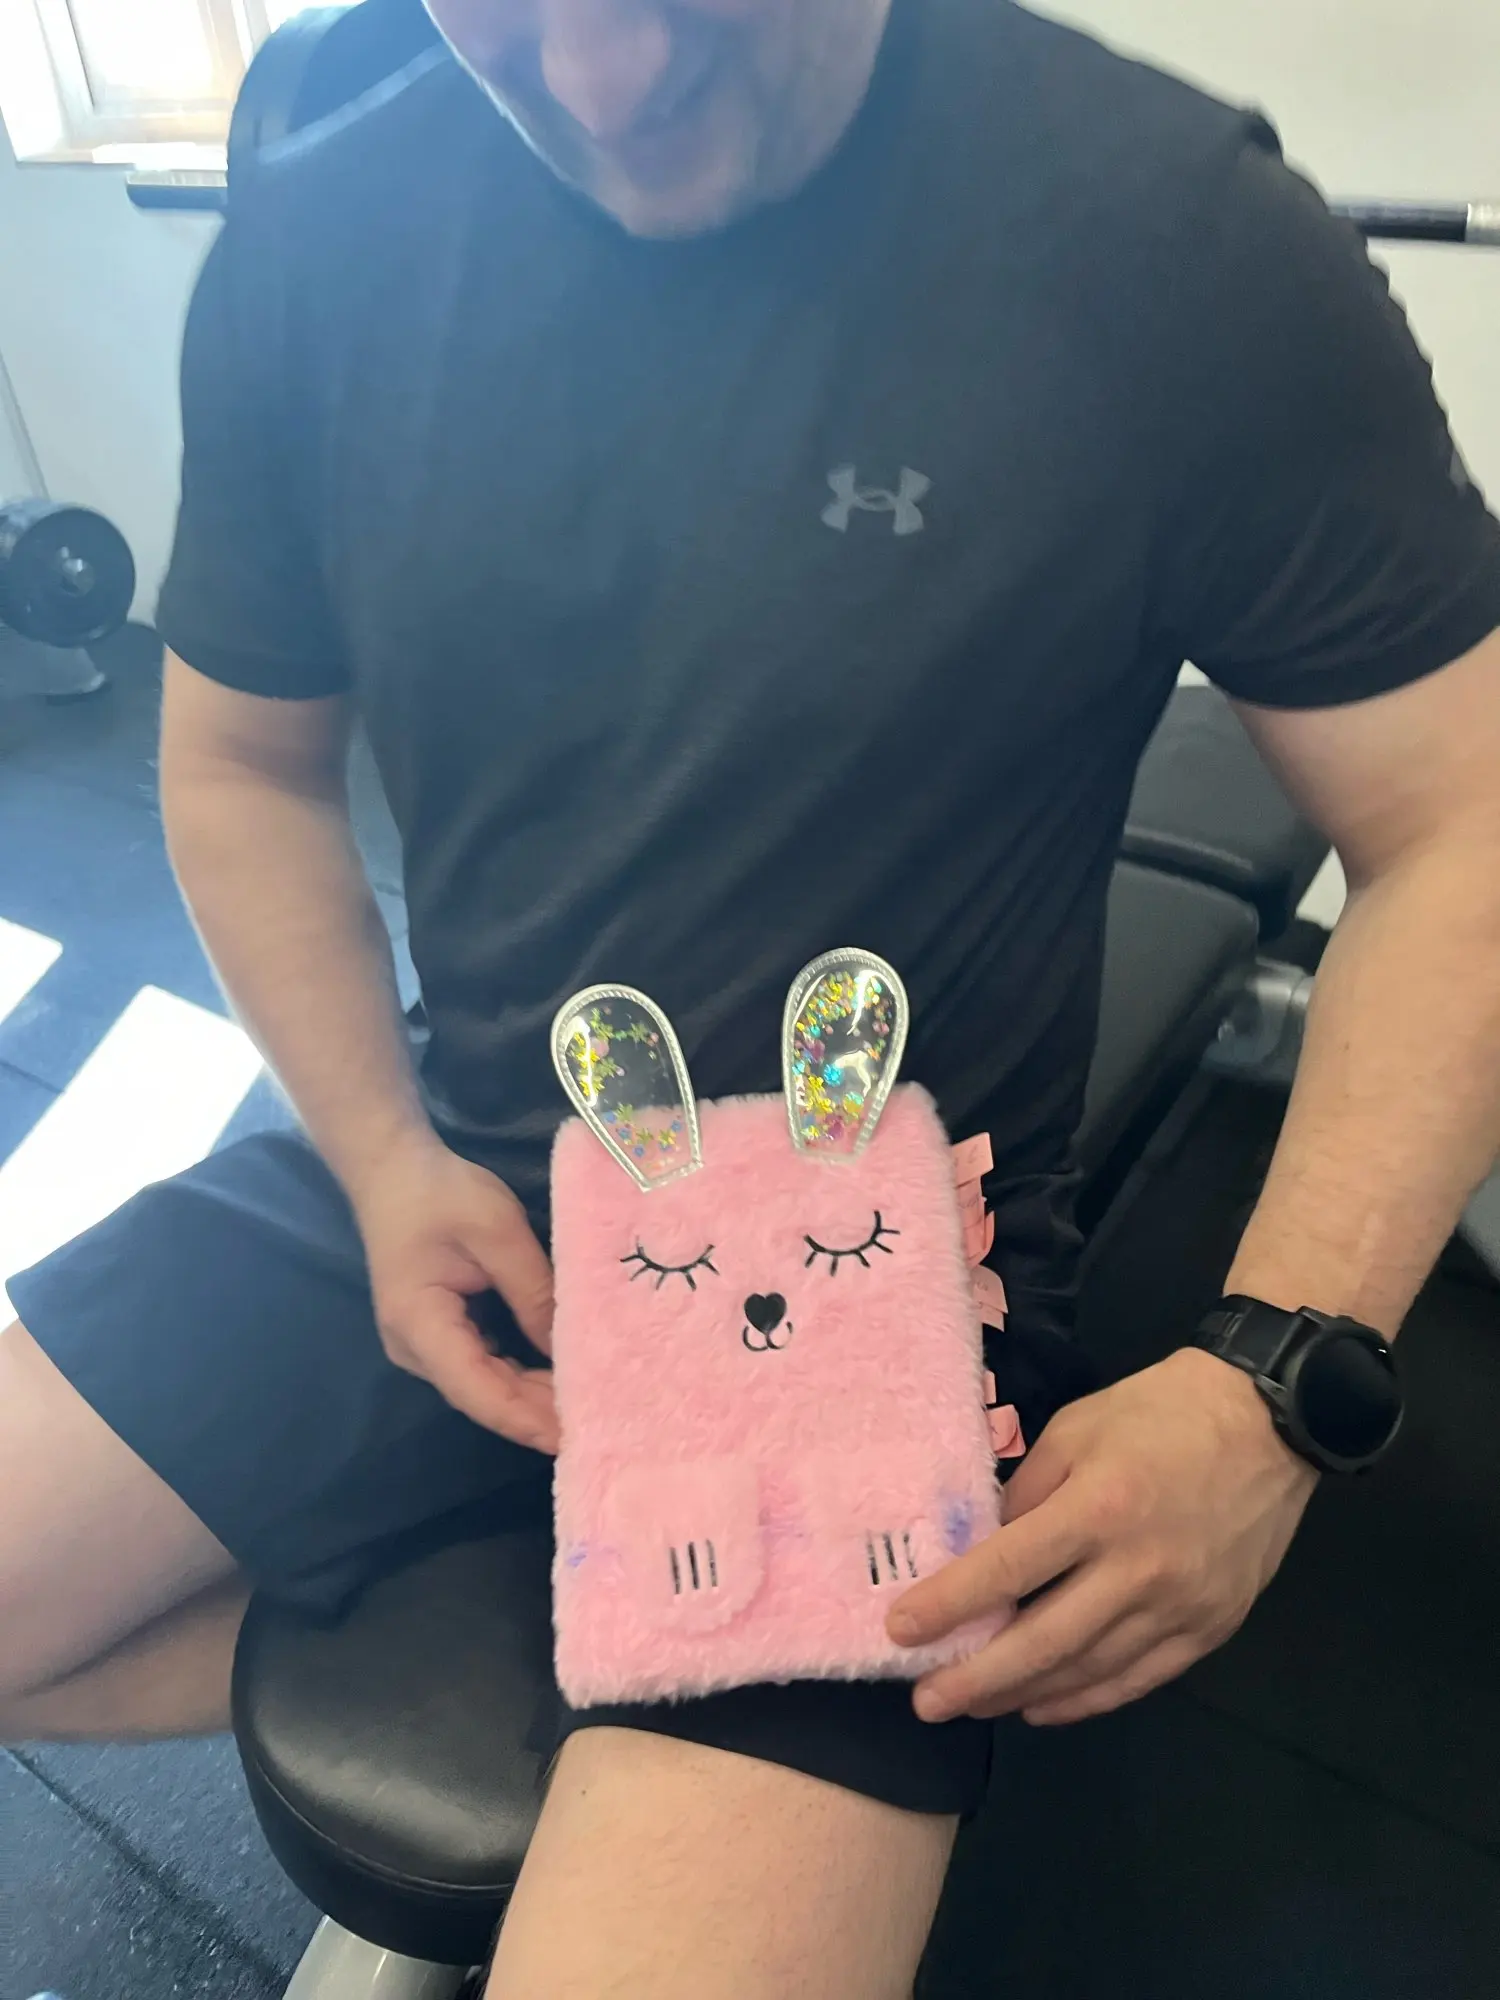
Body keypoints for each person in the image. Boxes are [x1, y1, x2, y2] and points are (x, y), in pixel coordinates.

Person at [3, 0, 1499, 1991]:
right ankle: (595, 1614)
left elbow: (1463, 819)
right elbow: (245, 769)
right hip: (462, 1194)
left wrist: (1274, 1384)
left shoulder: (1167, 237)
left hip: (882, 1290)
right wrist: (375, 1158)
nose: (603, 82)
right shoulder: (322, 235)